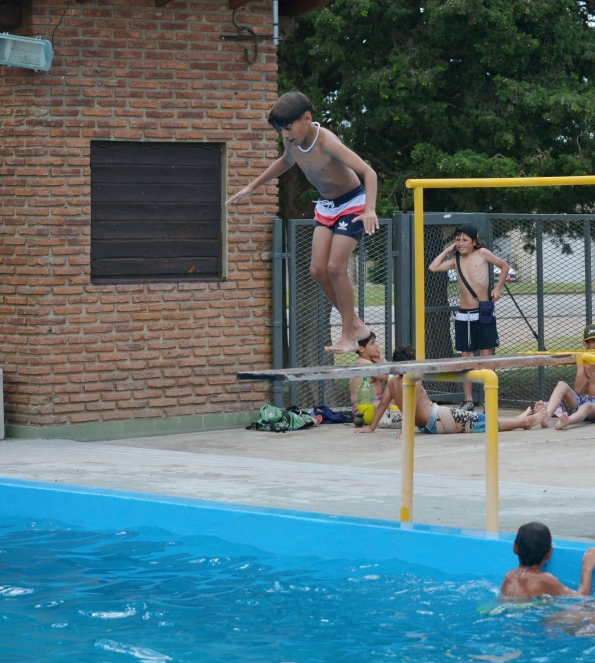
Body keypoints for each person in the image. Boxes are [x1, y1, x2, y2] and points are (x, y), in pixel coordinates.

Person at [225, 91, 378, 354]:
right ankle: (356, 326)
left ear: (307, 118)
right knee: (317, 270)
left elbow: (368, 171)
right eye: (280, 131)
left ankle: (349, 333)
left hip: (352, 203)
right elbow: (285, 162)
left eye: (288, 128)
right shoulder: (293, 143)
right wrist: (252, 186)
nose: (285, 135)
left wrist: (370, 209)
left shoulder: (326, 141)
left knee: (335, 266)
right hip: (327, 205)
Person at [354, 345, 548, 436]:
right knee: (484, 424)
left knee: (483, 423)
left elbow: (383, 407)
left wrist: (371, 428)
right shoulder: (412, 379)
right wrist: (404, 433)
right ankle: (525, 421)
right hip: (438, 418)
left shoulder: (393, 382)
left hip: (434, 422)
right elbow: (409, 407)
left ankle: (523, 420)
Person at [428, 224, 511, 411]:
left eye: (465, 240)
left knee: (486, 355)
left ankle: (490, 398)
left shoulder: (483, 254)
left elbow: (504, 266)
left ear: (474, 241)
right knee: (466, 357)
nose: (460, 243)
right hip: (464, 314)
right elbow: (433, 267)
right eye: (457, 239)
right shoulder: (455, 259)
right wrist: (448, 249)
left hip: (482, 312)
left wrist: (497, 288)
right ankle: (468, 400)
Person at [349, 331, 400, 428]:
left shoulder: (370, 362)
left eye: (375, 342)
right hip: (364, 408)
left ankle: (395, 415)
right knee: (396, 383)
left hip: (377, 403)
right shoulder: (363, 363)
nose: (376, 345)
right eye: (372, 343)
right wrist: (383, 363)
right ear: (361, 348)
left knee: (395, 393)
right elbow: (389, 377)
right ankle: (395, 417)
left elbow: (389, 374)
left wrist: (381, 359)